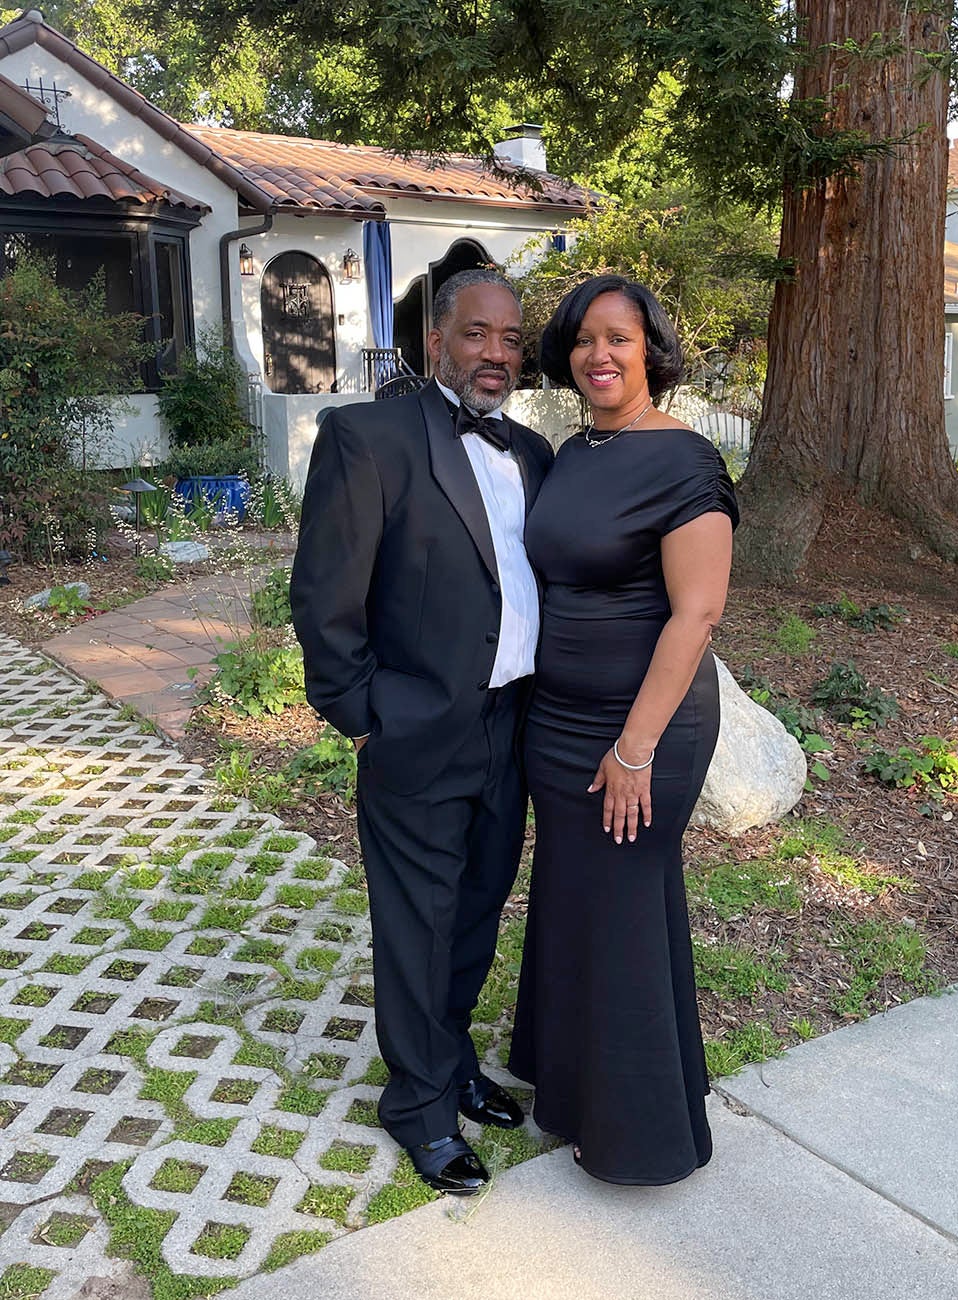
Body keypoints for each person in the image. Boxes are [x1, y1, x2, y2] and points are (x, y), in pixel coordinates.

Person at [290, 268, 551, 1195]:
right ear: (437, 340)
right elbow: (324, 596)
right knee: (418, 924)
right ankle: (418, 1105)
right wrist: (364, 718)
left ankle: (453, 1061)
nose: (495, 354)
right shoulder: (369, 437)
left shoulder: (533, 452)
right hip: (415, 727)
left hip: (512, 726)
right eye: (477, 334)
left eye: (511, 339)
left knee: (476, 908)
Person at [509, 274, 737, 1184]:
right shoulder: (575, 451)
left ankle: (638, 1133)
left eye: (619, 338)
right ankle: (568, 1085)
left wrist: (633, 749)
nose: (598, 355)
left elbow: (698, 614)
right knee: (577, 898)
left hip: (643, 731)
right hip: (558, 722)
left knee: (623, 909)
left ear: (653, 351)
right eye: (582, 339)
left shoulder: (684, 461)